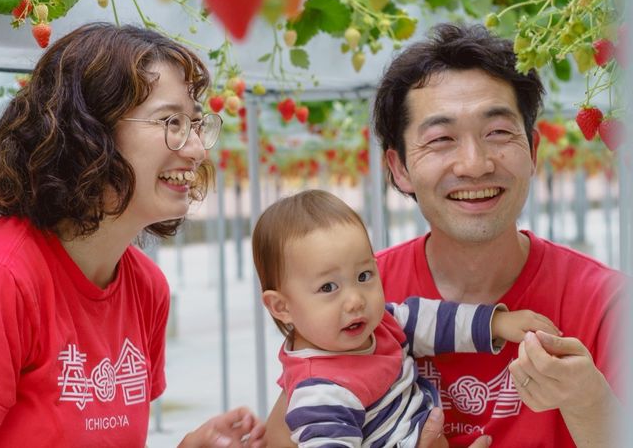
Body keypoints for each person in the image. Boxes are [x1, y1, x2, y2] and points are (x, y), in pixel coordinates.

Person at [266, 24, 626, 447]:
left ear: (532, 151)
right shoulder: (353, 296)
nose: (474, 164)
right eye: (441, 139)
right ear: (399, 168)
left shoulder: (608, 305)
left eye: (498, 132)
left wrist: (589, 402)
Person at [0, 23, 265, 447]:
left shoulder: (146, 288)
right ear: (87, 133)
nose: (196, 150)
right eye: (170, 121)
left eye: (194, 123)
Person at [253, 189, 561, 447]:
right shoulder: (321, 393)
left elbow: (435, 319)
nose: (355, 300)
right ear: (281, 307)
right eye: (328, 287)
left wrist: (496, 323)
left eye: (364, 275)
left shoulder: (381, 324)